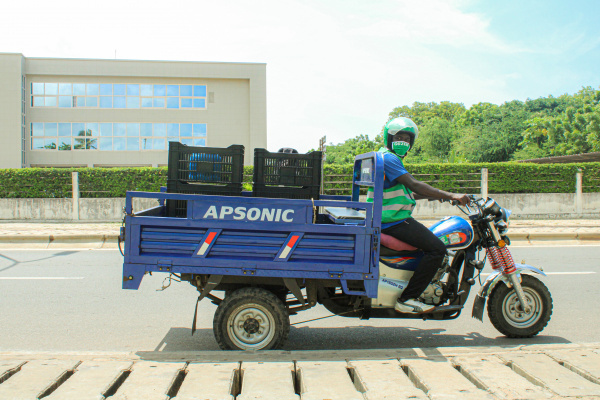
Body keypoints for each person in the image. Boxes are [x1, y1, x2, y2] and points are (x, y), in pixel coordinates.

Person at [368, 117, 470, 314]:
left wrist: (437, 196)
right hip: (392, 221)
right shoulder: (389, 159)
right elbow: (414, 184)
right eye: (399, 137)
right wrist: (451, 195)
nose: (403, 142)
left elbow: (405, 192)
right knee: (437, 249)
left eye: (407, 138)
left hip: (387, 217)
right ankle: (407, 298)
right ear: (388, 138)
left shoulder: (382, 156)